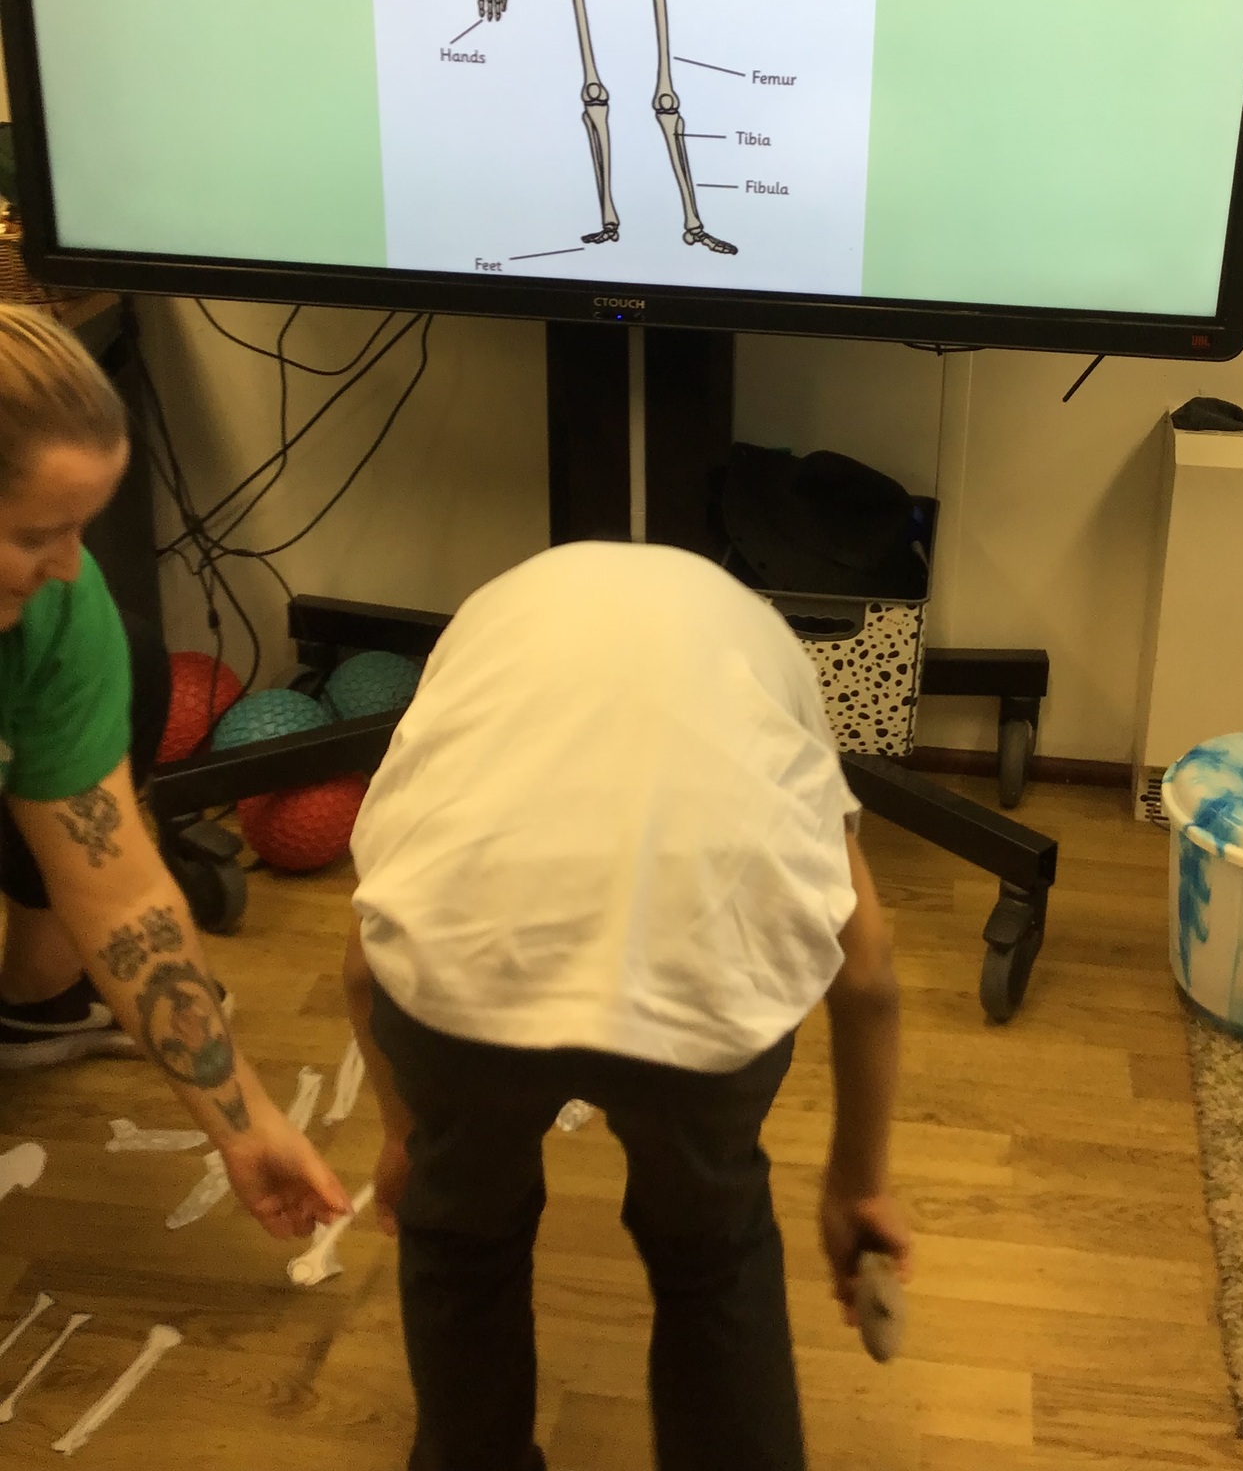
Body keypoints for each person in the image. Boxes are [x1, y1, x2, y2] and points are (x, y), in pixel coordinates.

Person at [344, 539, 910, 1471]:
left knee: (461, 1241)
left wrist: (407, 1136)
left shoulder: (474, 642)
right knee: (711, 1255)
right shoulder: (766, 650)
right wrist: (859, 1183)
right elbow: (869, 973)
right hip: (706, 971)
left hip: (463, 966)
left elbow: (366, 959)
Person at [0, 304, 347, 1240]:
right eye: (37, 534)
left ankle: (36, 1003)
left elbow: (116, 893)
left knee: (134, 657)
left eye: (82, 528)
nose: (69, 567)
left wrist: (247, 1124)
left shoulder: (60, 614)